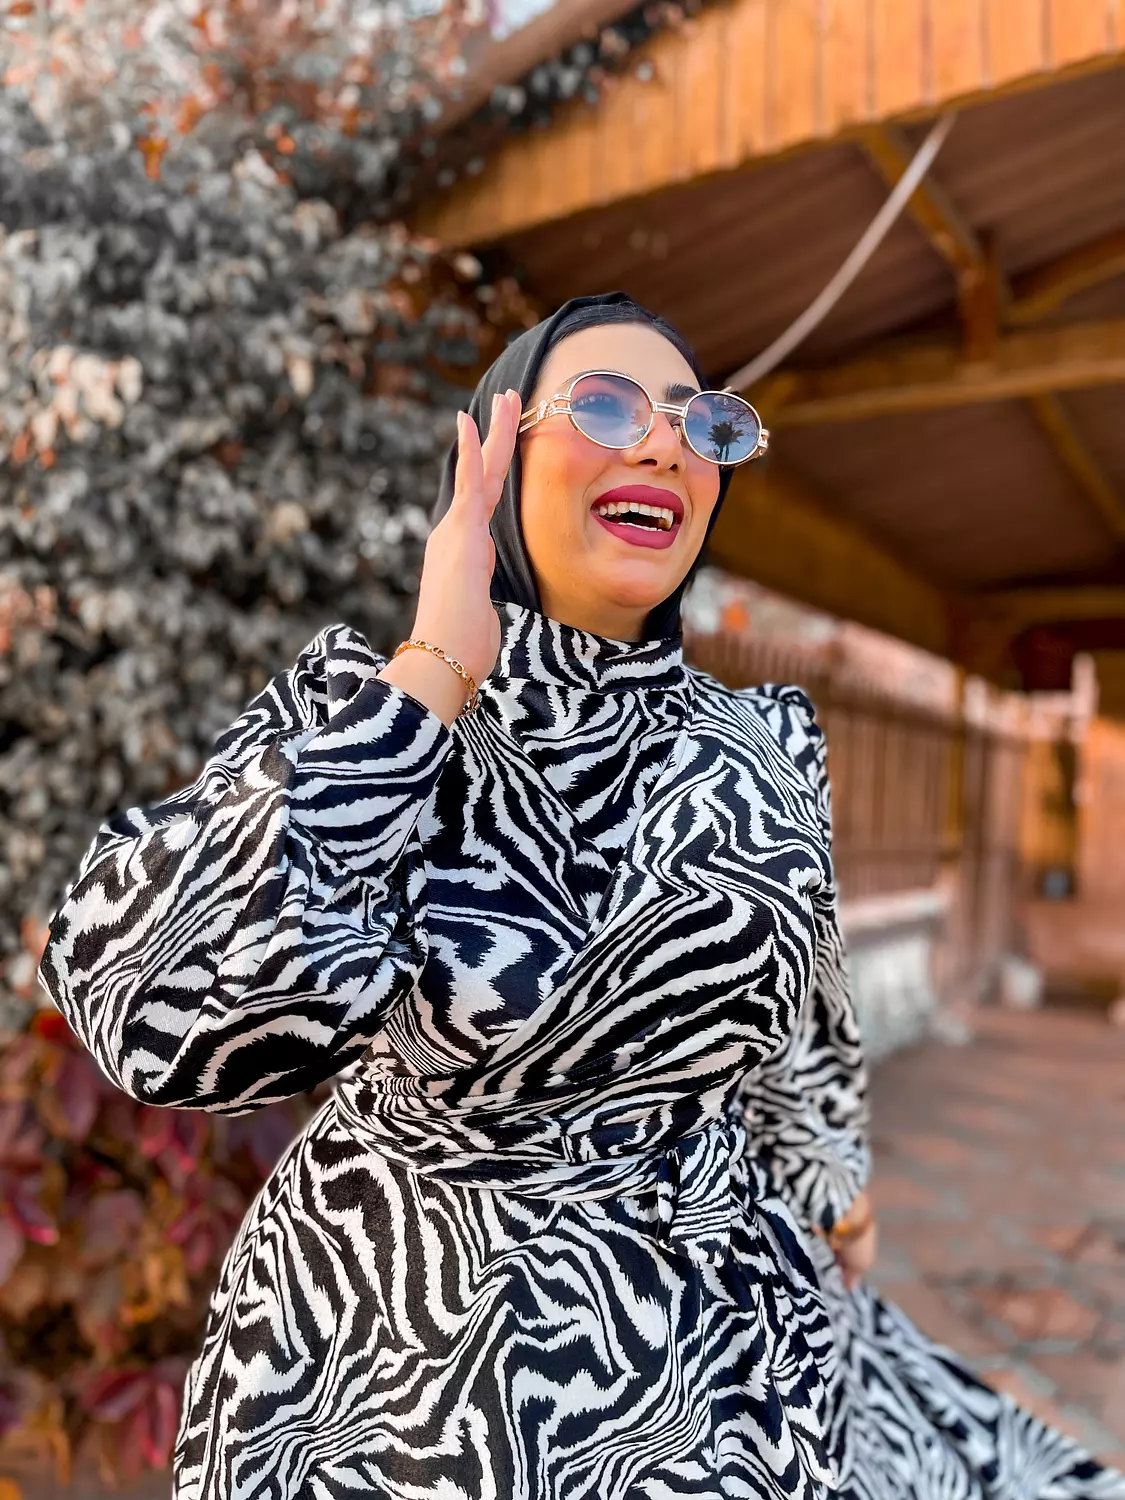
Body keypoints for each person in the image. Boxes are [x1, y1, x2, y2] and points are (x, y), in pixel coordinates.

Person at [41, 294, 1125, 1499]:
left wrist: (837, 1184)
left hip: (722, 1346)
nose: (663, 444)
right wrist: (436, 668)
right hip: (403, 1355)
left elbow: (805, 1006)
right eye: (606, 406)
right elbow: (152, 1013)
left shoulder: (765, 741)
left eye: (700, 423)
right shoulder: (375, 705)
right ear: (496, 453)